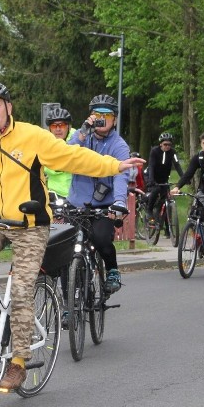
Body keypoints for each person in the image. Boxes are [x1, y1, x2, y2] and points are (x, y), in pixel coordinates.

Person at [0, 80, 144, 391]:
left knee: (23, 288)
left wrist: (114, 164)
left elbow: (72, 157)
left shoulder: (32, 136)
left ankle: (18, 361)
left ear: (9, 107)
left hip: (30, 225)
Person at [68, 94, 131, 293]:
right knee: (65, 254)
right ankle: (68, 303)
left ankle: (112, 270)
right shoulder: (82, 136)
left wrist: (120, 201)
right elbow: (64, 153)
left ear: (114, 119)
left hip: (104, 206)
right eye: (97, 114)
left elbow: (122, 175)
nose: (102, 119)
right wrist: (83, 131)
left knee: (101, 238)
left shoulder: (118, 145)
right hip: (77, 203)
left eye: (107, 115)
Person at [145, 132, 184, 225]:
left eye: (169, 145)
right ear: (160, 144)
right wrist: (151, 180)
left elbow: (177, 165)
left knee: (165, 197)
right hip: (151, 176)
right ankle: (149, 211)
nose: (167, 146)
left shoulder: (172, 152)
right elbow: (151, 166)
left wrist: (184, 178)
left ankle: (164, 224)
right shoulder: (154, 151)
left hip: (163, 178)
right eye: (165, 144)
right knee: (156, 189)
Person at [43, 106, 76, 198]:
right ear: (49, 128)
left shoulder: (78, 138)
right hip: (54, 194)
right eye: (54, 126)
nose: (58, 129)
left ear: (69, 127)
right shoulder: (44, 141)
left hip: (77, 194)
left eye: (61, 125)